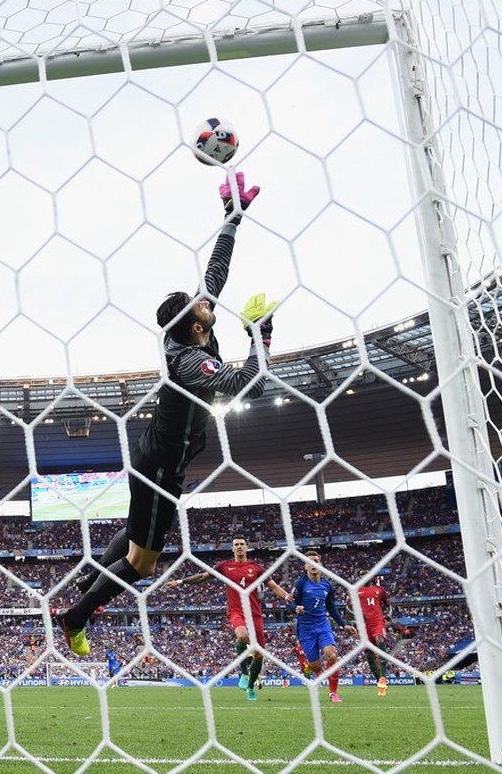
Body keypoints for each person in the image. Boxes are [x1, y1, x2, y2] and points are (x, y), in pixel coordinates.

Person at [58, 171, 272, 657]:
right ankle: (75, 618)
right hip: (161, 467)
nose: (205, 299)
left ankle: (91, 577)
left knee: (134, 536)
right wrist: (262, 334)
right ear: (196, 325)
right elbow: (250, 386)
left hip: (153, 454)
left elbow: (217, 272)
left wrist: (232, 218)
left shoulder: (192, 334)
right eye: (199, 304)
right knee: (142, 563)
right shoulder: (192, 361)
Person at [165, 537, 292, 701]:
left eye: (242, 544)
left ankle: (250, 686)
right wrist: (181, 581)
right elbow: (204, 576)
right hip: (236, 611)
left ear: (246, 548)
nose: (239, 547)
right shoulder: (225, 566)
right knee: (241, 635)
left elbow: (273, 586)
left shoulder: (256, 568)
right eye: (236, 545)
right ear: (232, 549)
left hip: (254, 614)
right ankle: (244, 672)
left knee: (259, 655)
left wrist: (286, 596)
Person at [293, 551, 357, 703]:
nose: (314, 563)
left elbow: (331, 607)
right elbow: (291, 601)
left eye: (316, 560)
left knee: (332, 654)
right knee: (316, 666)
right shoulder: (300, 583)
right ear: (306, 566)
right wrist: (296, 608)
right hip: (305, 628)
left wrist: (343, 624)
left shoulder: (327, 585)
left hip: (322, 624)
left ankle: (333, 693)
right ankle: (308, 666)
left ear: (320, 564)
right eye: (310, 561)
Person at [357, 575, 391, 696]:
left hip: (377, 621)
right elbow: (348, 607)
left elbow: (388, 605)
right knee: (369, 654)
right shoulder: (356, 590)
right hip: (363, 624)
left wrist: (388, 615)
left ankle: (383, 676)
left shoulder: (379, 590)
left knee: (380, 640)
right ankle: (380, 683)